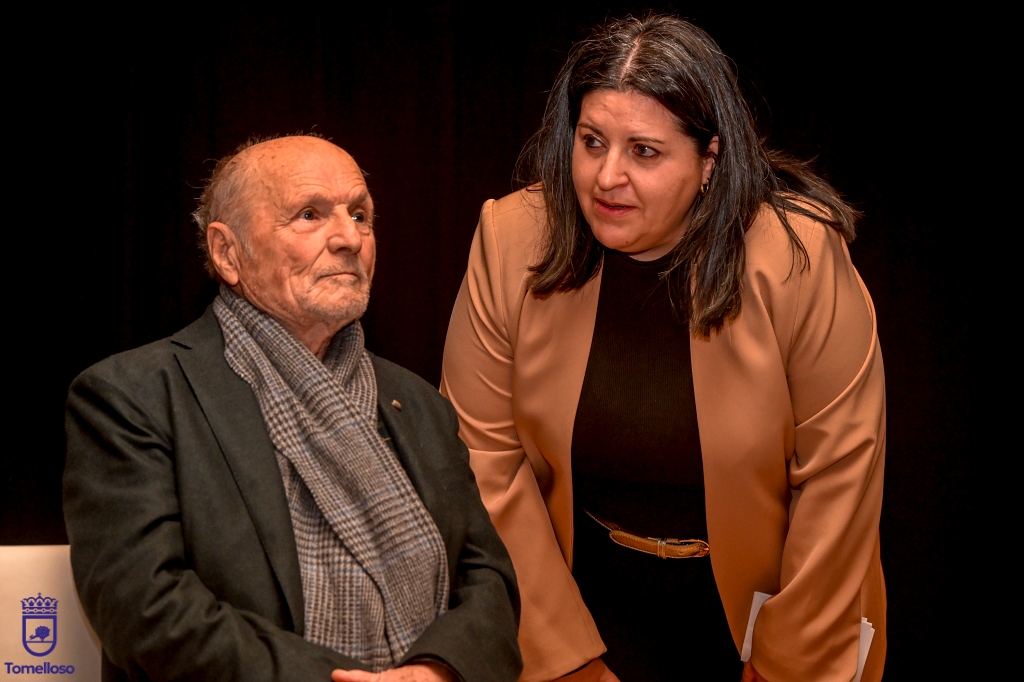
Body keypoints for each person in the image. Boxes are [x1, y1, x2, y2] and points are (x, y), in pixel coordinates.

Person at [440, 14, 885, 682]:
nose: (605, 176)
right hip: (574, 606)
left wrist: (785, 665)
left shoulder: (799, 255)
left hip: (766, 612)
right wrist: (565, 661)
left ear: (709, 161)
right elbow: (480, 461)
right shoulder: (511, 239)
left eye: (644, 152)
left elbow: (840, 478)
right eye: (591, 141)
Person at [63, 135, 522, 682]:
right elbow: (142, 606)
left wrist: (438, 671)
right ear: (227, 253)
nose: (349, 237)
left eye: (360, 215)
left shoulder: (418, 403)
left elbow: (486, 577)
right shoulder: (133, 397)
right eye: (309, 215)